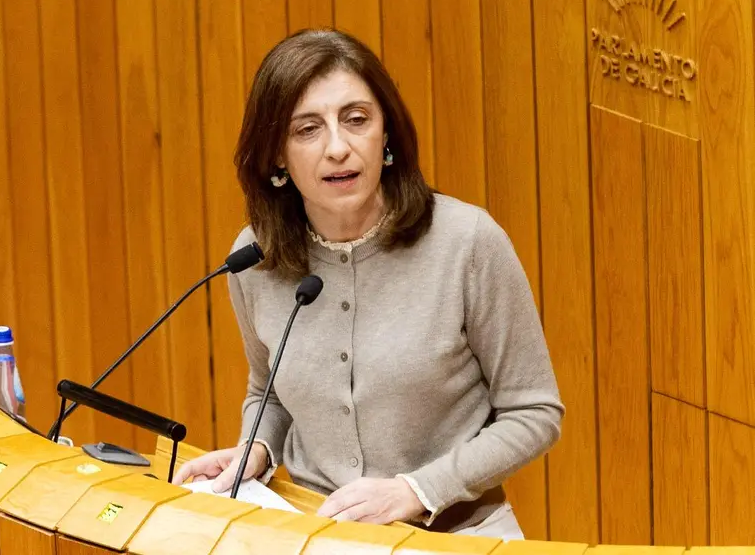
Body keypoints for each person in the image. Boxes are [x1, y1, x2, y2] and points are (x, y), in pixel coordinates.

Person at [173, 28, 564, 540]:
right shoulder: (257, 256)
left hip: (457, 537)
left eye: (356, 120)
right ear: (276, 158)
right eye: (307, 129)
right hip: (318, 535)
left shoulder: (467, 243)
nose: (338, 147)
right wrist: (255, 453)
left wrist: (416, 491)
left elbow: (534, 413)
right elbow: (268, 390)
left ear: (386, 137)